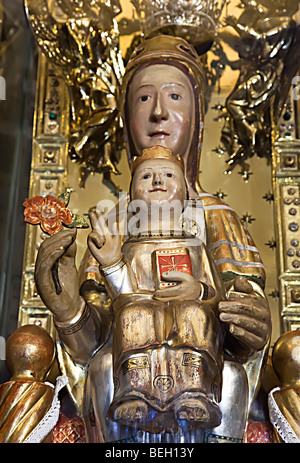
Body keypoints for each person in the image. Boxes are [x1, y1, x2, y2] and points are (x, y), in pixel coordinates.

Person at [34, 35, 271, 442]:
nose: (159, 113)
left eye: (175, 96)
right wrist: (68, 307)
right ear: (126, 119)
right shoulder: (112, 223)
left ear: (197, 120)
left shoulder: (217, 216)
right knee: (102, 364)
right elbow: (93, 344)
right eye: (144, 99)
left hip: (202, 376)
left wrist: (244, 321)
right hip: (127, 388)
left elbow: (242, 327)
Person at [87, 145, 226, 432]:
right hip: (142, 312)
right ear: (131, 197)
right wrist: (112, 263)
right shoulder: (129, 246)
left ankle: (193, 391)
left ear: (185, 193)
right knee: (133, 314)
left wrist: (198, 292)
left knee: (194, 314)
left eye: (167, 175)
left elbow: (215, 294)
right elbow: (123, 295)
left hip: (187, 313)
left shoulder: (195, 245)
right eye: (146, 176)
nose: (158, 181)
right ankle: (135, 391)